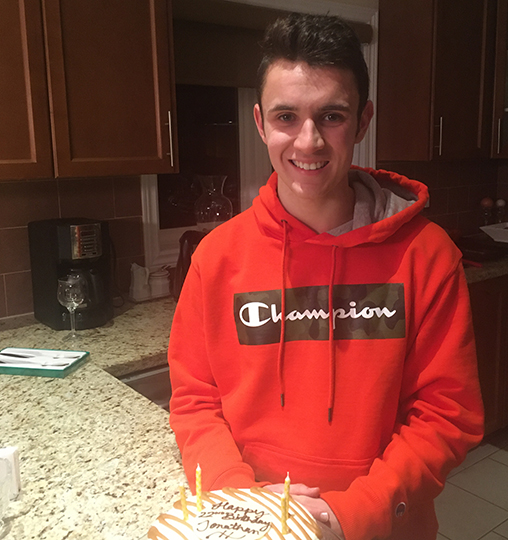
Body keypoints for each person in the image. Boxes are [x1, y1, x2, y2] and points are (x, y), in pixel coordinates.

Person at [168, 12, 484, 540]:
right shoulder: (217, 257)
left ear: (362, 121)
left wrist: (348, 517)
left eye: (331, 116)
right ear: (260, 123)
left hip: (381, 528)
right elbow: (196, 399)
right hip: (250, 524)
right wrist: (238, 497)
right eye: (286, 116)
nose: (308, 141)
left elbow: (446, 413)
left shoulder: (427, 256)